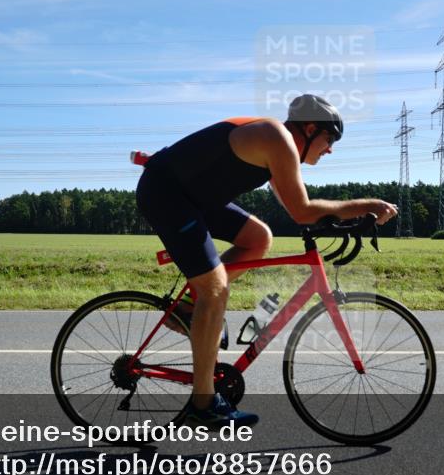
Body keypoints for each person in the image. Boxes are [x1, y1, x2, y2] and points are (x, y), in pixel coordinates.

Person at [135, 94, 398, 428]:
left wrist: (345, 219)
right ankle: (202, 404)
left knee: (258, 238)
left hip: (191, 197)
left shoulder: (278, 142)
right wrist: (366, 206)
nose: (330, 148)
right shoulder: (279, 140)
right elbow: (303, 210)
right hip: (167, 193)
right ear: (311, 128)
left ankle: (190, 309)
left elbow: (298, 211)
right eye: (329, 139)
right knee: (215, 290)